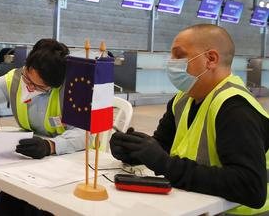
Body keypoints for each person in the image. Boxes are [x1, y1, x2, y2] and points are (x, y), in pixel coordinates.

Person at [110, 24, 269, 215]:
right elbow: (161, 147)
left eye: (179, 55)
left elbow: (251, 188)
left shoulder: (236, 108)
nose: (171, 62)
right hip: (197, 205)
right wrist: (133, 151)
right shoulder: (182, 99)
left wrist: (164, 164)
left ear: (211, 59)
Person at [0, 38, 84, 215]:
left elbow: (85, 134)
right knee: (7, 200)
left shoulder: (74, 88)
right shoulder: (14, 79)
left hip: (72, 164)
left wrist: (50, 146)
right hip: (30, 162)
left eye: (39, 87)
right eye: (28, 77)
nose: (29, 87)